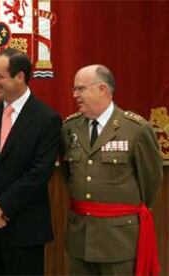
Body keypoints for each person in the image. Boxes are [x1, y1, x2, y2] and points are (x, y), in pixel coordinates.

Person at [0, 48, 62, 275]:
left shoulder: (47, 119)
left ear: (20, 76)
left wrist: (2, 208)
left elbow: (38, 173)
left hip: (24, 230)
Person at [62, 64, 163, 275]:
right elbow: (68, 175)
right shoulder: (69, 128)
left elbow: (150, 183)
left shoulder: (135, 129)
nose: (75, 95)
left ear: (102, 89)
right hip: (80, 237)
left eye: (81, 89)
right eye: (74, 89)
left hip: (118, 240)